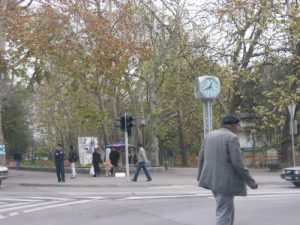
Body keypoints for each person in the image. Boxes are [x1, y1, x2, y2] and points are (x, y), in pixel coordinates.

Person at [197, 114, 258, 225]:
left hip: (211, 180)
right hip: (224, 182)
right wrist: (251, 182)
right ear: (232, 126)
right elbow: (238, 163)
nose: (238, 128)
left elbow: (201, 156)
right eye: (238, 126)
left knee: (226, 208)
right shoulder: (231, 137)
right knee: (224, 212)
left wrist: (200, 176)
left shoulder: (209, 135)